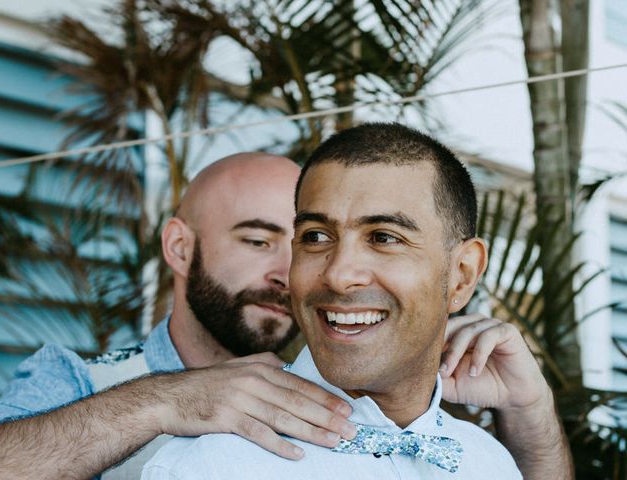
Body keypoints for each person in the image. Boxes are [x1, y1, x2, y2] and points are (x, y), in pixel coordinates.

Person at [142, 124, 573, 480]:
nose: (338, 273)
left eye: (384, 237)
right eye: (315, 237)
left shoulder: (492, 465)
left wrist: (531, 409)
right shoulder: (211, 468)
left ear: (461, 276)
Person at [0, 153, 357, 479]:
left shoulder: (333, 403)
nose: (284, 273)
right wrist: (169, 398)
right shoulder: (79, 382)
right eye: (258, 241)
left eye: (304, 245)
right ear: (180, 248)